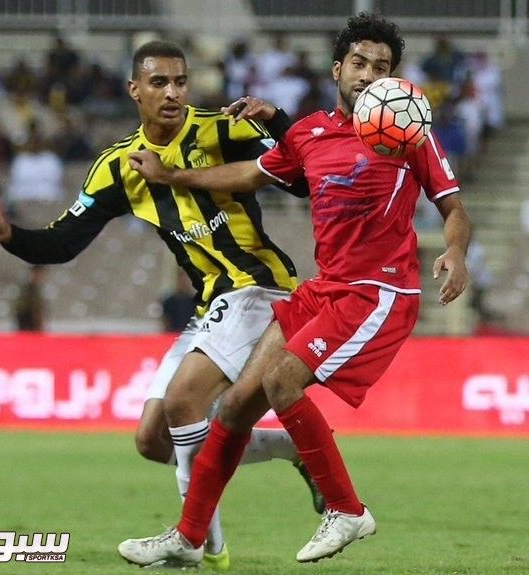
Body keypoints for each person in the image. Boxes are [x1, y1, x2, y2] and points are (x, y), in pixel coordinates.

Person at [118, 13, 472, 567]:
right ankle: (189, 539)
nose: (368, 75)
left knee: (282, 380)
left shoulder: (407, 131)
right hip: (324, 289)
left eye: (381, 67)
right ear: (337, 69)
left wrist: (455, 251)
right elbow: (249, 174)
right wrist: (172, 176)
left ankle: (347, 509)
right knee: (235, 406)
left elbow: (453, 209)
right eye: (359, 63)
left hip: (377, 291)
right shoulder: (308, 133)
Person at [0, 40, 322, 570]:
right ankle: (295, 449)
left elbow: (303, 181)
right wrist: (12, 235)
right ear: (135, 90)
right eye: (159, 83)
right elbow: (62, 243)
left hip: (259, 287)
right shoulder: (118, 167)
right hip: (210, 303)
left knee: (183, 403)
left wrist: (278, 119)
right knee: (154, 440)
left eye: (180, 81)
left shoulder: (223, 130)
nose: (172, 93)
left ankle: (197, 544)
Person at [13, 264, 47, 331]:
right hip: (28, 327)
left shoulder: (37, 290)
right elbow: (21, 310)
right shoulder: (26, 290)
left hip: (34, 327)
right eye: (39, 274)